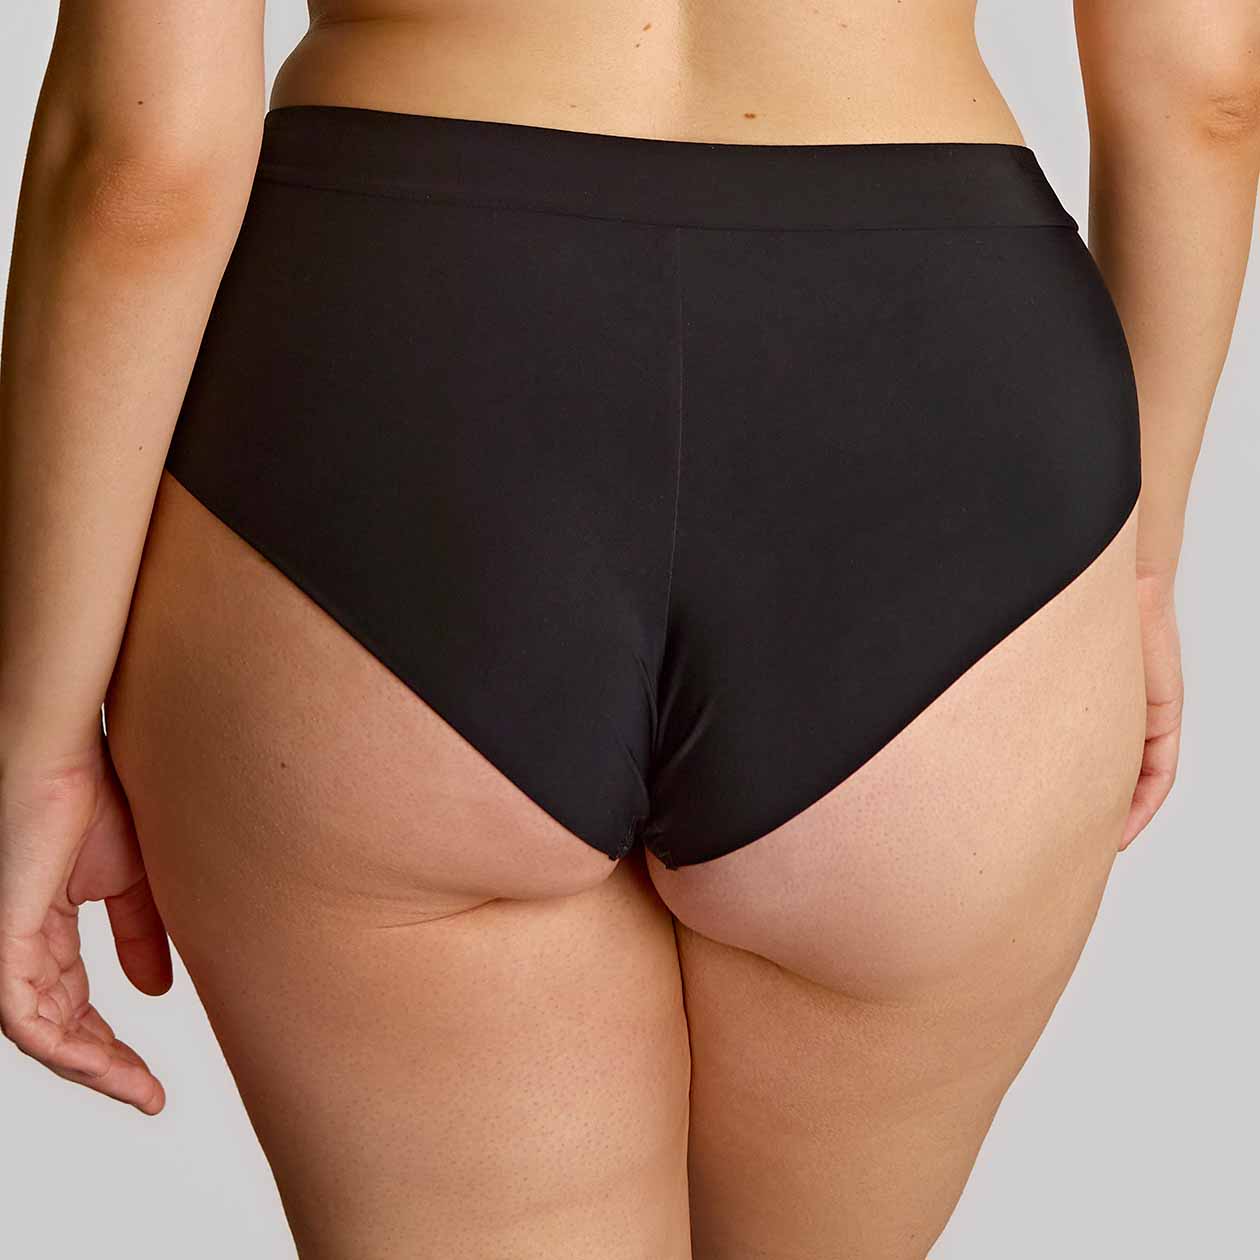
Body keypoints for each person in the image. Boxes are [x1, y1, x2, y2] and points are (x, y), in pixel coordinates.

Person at [2, 2, 1256, 1256]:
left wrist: (38, 735)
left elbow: (142, 162)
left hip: (398, 380)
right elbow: (1207, 98)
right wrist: (1140, 564)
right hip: (948, 410)